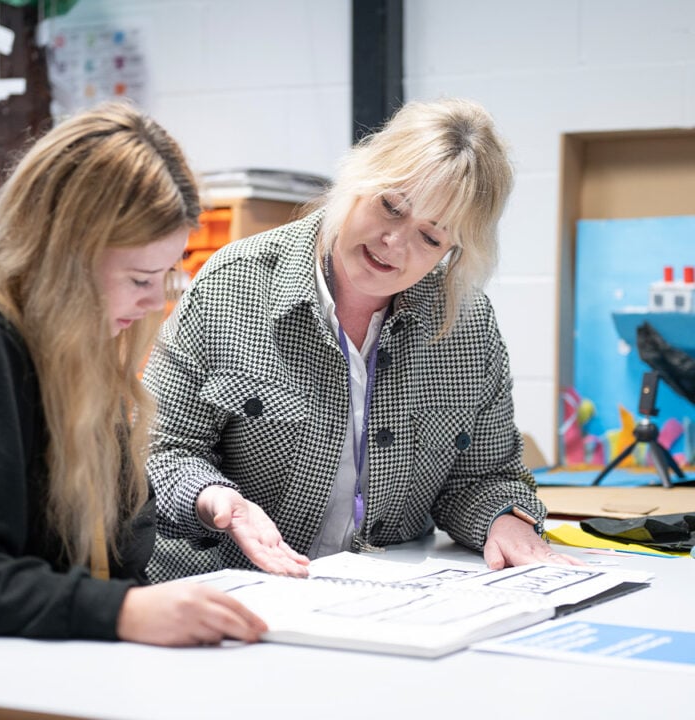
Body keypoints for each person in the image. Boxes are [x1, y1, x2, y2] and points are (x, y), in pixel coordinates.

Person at [144, 97, 579, 582]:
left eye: (431, 238)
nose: (394, 243)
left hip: (379, 596)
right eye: (390, 206)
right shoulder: (234, 285)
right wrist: (215, 498)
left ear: (455, 252)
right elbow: (161, 453)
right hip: (226, 584)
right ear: (356, 178)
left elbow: (484, 477)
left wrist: (504, 519)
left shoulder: (466, 325)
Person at [0, 102, 267, 645]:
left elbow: (123, 545)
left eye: (165, 274)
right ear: (64, 256)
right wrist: (123, 612)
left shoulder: (84, 342)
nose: (155, 299)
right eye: (138, 278)